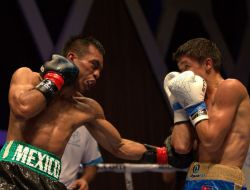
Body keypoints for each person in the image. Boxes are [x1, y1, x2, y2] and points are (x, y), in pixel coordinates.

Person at [0, 34, 187, 189]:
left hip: (49, 182)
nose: (97, 74)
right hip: (11, 175)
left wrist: (164, 155)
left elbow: (119, 145)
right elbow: (23, 108)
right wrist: (55, 79)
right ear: (71, 59)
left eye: (100, 70)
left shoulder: (87, 108)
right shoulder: (28, 77)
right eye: (93, 65)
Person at [164, 37, 250, 189]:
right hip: (193, 178)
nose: (183, 75)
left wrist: (193, 105)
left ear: (208, 64)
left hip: (223, 181)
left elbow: (211, 142)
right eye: (180, 69)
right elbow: (181, 146)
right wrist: (178, 106)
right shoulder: (195, 99)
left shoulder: (231, 87)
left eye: (186, 67)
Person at [60, 125, 103, 190]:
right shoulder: (42, 120)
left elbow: (92, 161)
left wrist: (84, 179)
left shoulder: (86, 129)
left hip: (68, 187)